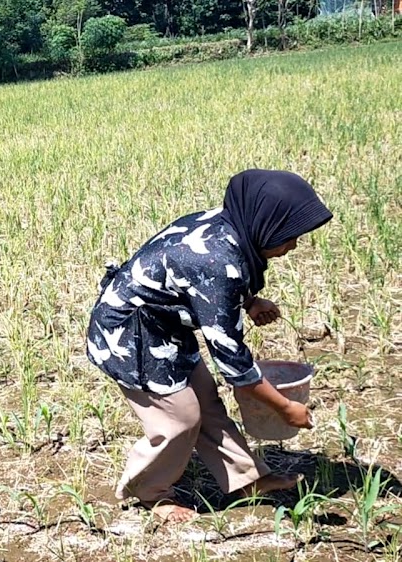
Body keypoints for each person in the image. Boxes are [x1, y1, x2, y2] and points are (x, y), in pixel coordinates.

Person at [85, 169, 333, 522]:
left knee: (207, 402)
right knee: (180, 419)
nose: (293, 244)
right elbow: (236, 365)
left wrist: (248, 301)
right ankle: (150, 493)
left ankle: (247, 480)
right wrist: (284, 407)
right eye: (288, 236)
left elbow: (200, 281)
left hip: (163, 325)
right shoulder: (217, 260)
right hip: (130, 336)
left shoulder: (228, 225)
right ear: (264, 221)